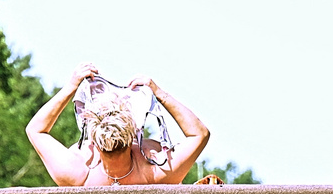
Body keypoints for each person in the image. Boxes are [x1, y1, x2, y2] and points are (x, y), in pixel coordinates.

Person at [26, 63, 209, 186]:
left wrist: (71, 86)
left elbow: (36, 130)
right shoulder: (154, 171)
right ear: (133, 137)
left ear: (95, 142)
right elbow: (199, 134)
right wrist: (158, 92)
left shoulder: (78, 171)